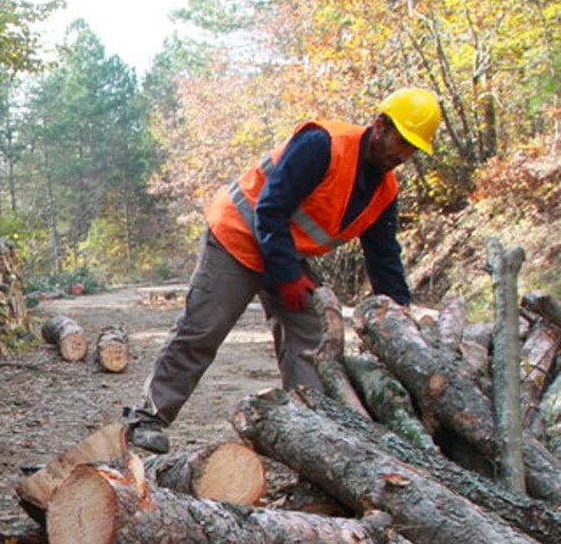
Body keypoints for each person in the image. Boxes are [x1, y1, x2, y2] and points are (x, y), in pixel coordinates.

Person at [124, 88, 442, 455]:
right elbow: (271, 207)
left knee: (311, 339)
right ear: (380, 125)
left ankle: (310, 433)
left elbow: (384, 257)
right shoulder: (323, 144)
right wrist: (287, 274)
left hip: (284, 249)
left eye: (413, 148)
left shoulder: (384, 190)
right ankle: (147, 416)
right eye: (401, 141)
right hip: (237, 236)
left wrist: (399, 315)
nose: (402, 155)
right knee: (203, 329)